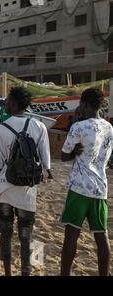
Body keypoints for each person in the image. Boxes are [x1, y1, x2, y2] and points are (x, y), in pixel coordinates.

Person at [0, 86, 52, 276]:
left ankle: (7, 272)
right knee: (27, 235)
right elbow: (46, 164)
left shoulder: (0, 129)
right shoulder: (39, 126)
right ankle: (27, 271)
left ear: (14, 103)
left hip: (4, 191)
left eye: (7, 100)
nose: (5, 104)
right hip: (27, 191)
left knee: (6, 234)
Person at [60, 88, 112, 276]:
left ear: (86, 104)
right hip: (100, 188)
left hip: (80, 188)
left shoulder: (79, 127)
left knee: (71, 236)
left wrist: (74, 151)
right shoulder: (109, 127)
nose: (79, 106)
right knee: (101, 236)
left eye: (81, 103)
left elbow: (65, 155)